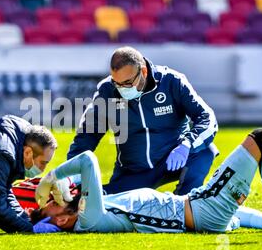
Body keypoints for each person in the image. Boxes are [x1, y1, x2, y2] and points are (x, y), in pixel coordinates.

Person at [32, 128, 262, 233]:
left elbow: (82, 176)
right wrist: (51, 177)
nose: (52, 197)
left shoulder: (88, 211)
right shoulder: (88, 218)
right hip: (203, 209)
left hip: (198, 205)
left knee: (244, 214)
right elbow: (88, 158)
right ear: (62, 220)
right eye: (49, 204)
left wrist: (61, 185)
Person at [68, 46, 219, 195]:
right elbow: (87, 136)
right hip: (133, 172)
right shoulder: (107, 90)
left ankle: (185, 204)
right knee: (99, 205)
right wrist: (71, 177)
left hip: (172, 160)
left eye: (127, 83)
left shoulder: (171, 81)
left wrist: (187, 145)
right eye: (117, 83)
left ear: (144, 72)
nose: (122, 88)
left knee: (205, 150)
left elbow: (207, 118)